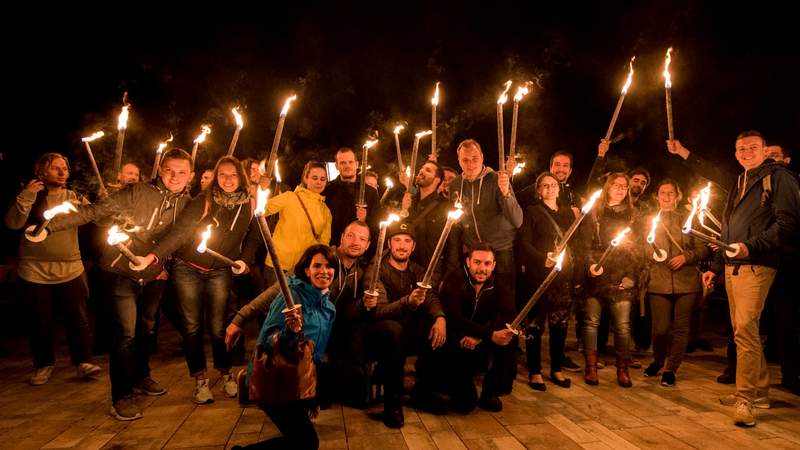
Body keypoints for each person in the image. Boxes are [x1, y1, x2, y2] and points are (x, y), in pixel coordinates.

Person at [44, 148, 194, 421]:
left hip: (153, 275)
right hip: (120, 272)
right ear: (160, 170)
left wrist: (157, 262)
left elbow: (179, 236)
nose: (175, 176)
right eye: (170, 170)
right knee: (125, 334)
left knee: (146, 329)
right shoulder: (136, 192)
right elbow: (94, 212)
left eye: (182, 172)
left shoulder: (187, 204)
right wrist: (50, 227)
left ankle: (141, 375)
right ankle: (121, 396)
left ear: (191, 176)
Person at [691, 131, 800, 426]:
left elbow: (788, 223)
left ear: (766, 151)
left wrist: (751, 246)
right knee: (743, 331)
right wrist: (715, 264)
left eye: (753, 147)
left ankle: (746, 398)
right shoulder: (740, 181)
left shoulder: (779, 177)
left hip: (757, 264)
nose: (746, 152)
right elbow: (727, 229)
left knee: (745, 330)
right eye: (740, 148)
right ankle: (759, 392)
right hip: (733, 266)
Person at [136, 156, 259, 404]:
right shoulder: (204, 200)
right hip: (187, 268)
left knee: (218, 327)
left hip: (221, 270)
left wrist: (244, 260)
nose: (227, 180)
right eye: (222, 175)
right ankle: (200, 381)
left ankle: (225, 375)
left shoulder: (248, 204)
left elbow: (255, 236)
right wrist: (154, 256)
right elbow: (180, 232)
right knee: (192, 326)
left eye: (233, 175)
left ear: (241, 178)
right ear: (215, 177)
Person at [5, 153, 101, 386]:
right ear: (41, 172)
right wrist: (27, 195)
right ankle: (43, 365)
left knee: (78, 318)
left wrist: (104, 204)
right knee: (40, 321)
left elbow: (98, 217)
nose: (62, 172)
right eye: (55, 168)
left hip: (70, 268)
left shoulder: (73, 197)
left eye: (65, 168)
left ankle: (83, 362)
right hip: (34, 271)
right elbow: (13, 223)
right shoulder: (28, 196)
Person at [235, 245, 338, 450]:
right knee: (306, 442)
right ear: (306, 270)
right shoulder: (290, 297)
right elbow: (266, 343)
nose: (324, 271)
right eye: (317, 266)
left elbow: (314, 355)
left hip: (297, 381)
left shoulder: (328, 307)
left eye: (329, 266)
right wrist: (290, 332)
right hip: (274, 380)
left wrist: (312, 393)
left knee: (300, 441)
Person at [362, 220, 447, 424]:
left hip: (406, 331)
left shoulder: (417, 270)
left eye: (407, 241)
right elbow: (379, 310)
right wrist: (408, 301)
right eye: (397, 240)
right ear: (389, 244)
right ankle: (393, 402)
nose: (402, 245)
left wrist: (440, 317)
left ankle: (423, 393)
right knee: (394, 330)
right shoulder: (376, 271)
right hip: (380, 332)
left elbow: (430, 296)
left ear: (413, 246)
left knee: (434, 328)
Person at [642, 179, 709, 387]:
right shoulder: (649, 220)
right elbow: (641, 247)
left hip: (687, 281)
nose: (667, 196)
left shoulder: (689, 219)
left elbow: (703, 247)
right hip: (659, 281)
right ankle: (657, 360)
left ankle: (671, 369)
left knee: (681, 328)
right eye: (663, 192)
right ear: (657, 195)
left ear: (677, 196)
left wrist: (686, 257)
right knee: (660, 329)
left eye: (671, 192)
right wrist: (654, 254)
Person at [581, 172, 643, 388]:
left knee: (622, 326)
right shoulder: (594, 214)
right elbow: (585, 244)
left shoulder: (633, 217)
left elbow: (637, 249)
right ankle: (590, 366)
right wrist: (590, 264)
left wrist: (630, 275)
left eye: (624, 186)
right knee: (591, 323)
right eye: (615, 185)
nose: (620, 189)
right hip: (598, 275)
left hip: (621, 276)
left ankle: (622, 369)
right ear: (607, 187)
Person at [438, 243, 517, 413]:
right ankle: (447, 382)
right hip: (456, 342)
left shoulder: (498, 282)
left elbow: (509, 314)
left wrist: (483, 335)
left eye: (487, 264)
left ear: (494, 265)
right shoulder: (454, 279)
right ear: (468, 262)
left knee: (508, 338)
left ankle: (490, 394)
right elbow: (455, 318)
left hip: (478, 339)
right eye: (477, 262)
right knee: (465, 405)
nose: (482, 269)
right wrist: (488, 334)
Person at [518, 172, 577, 391]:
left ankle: (557, 369)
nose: (550, 188)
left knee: (559, 324)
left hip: (562, 278)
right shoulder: (532, 212)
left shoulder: (568, 214)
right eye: (544, 185)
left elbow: (574, 243)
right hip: (539, 276)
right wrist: (544, 259)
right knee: (535, 324)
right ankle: (535, 371)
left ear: (559, 189)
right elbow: (524, 243)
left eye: (553, 185)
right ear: (538, 190)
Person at [261, 161, 332, 286]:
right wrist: (261, 189)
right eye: (314, 178)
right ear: (305, 178)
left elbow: (323, 244)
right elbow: (262, 209)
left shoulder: (325, 210)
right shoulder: (290, 197)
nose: (319, 182)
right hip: (277, 265)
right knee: (272, 304)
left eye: (322, 179)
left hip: (302, 268)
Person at [401, 161, 451, 275]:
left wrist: (447, 277)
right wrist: (404, 210)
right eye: (422, 168)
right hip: (407, 268)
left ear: (437, 180)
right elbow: (402, 231)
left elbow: (452, 246)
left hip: (431, 271)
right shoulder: (409, 201)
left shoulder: (445, 207)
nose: (421, 171)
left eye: (428, 170)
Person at [323, 147, 380, 247]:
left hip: (360, 250)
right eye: (343, 163)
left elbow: (378, 223)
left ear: (357, 164)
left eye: (350, 162)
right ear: (336, 166)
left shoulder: (370, 192)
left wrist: (365, 219)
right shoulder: (327, 190)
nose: (347, 166)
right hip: (332, 248)